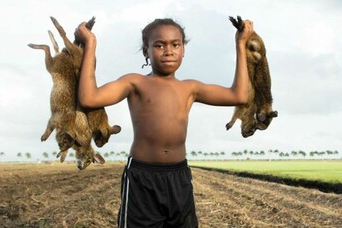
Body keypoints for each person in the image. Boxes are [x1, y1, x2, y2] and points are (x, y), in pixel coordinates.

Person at [76, 17, 254, 228]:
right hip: (142, 178)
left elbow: (239, 95)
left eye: (175, 45)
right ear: (146, 51)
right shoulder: (135, 82)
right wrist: (90, 44)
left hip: (179, 177)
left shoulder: (190, 88)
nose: (168, 51)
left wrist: (240, 45)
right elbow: (89, 98)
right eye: (159, 45)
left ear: (183, 50)